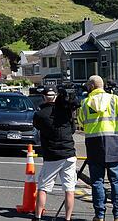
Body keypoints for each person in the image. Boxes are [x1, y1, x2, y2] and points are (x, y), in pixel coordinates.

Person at [77, 75, 118, 221]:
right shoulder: (114, 100)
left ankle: (99, 215)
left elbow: (80, 122)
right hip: (113, 144)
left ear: (91, 87)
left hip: (94, 146)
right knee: (116, 180)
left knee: (97, 182)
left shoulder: (85, 103)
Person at [33, 86, 78, 221]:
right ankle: (68, 218)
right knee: (69, 189)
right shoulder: (66, 111)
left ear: (44, 97)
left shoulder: (40, 114)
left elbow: (37, 126)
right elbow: (73, 129)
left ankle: (37, 216)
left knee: (43, 187)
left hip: (52, 155)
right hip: (69, 153)